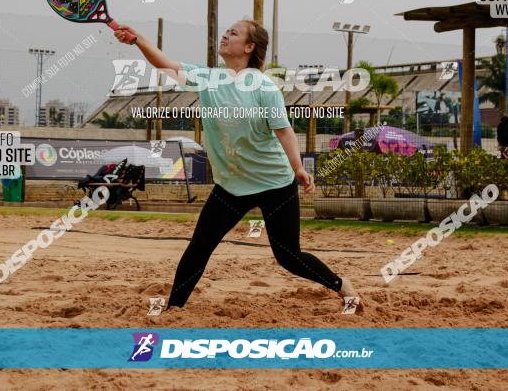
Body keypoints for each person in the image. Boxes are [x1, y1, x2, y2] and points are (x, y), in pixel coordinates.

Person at [114, 20, 359, 310]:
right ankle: (174, 309)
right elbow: (166, 65)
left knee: (288, 257)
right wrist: (137, 39)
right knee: (200, 246)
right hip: (230, 185)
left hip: (274, 184)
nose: (226, 35)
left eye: (234, 33)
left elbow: (284, 131)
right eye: (226, 31)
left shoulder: (264, 88)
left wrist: (298, 168)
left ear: (249, 47)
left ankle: (343, 287)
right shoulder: (208, 78)